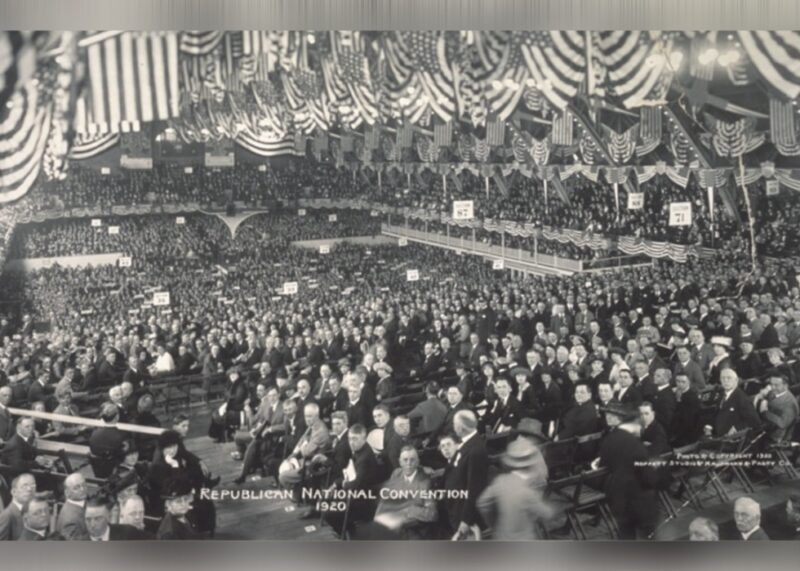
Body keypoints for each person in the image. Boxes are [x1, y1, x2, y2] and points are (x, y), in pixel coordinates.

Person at [594, 403, 659, 539]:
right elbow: (649, 477)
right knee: (648, 537)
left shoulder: (609, 439)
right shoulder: (635, 444)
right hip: (642, 500)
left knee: (626, 535)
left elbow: (605, 466)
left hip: (621, 498)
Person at [476, 438, 555, 540]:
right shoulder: (527, 492)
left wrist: (494, 523)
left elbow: (482, 503)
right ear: (530, 466)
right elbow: (547, 513)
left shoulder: (500, 481)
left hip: (500, 537)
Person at [323, 423, 380, 536]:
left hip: (363, 501)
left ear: (364, 438)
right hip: (355, 494)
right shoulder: (360, 450)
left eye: (355, 439)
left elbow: (356, 484)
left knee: (328, 514)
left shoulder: (364, 458)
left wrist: (343, 485)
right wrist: (335, 485)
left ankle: (347, 533)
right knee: (326, 500)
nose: (351, 442)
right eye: (349, 439)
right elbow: (349, 473)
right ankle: (348, 530)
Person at [370, 446, 437, 539]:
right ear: (400, 462)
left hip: (415, 530)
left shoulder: (425, 482)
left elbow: (432, 514)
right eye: (405, 460)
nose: (408, 463)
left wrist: (407, 510)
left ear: (417, 462)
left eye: (412, 460)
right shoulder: (396, 473)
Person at [444, 410, 489, 539]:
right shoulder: (468, 443)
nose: (453, 427)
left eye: (454, 424)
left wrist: (466, 520)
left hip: (463, 511)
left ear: (460, 427)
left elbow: (474, 487)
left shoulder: (475, 449)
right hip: (456, 505)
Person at [711, 368, 761, 437]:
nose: (725, 381)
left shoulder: (742, 398)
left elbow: (755, 421)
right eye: (723, 378)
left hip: (729, 439)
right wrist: (709, 426)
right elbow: (717, 413)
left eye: (729, 378)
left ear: (736, 380)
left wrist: (737, 428)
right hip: (716, 433)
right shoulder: (722, 394)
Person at [754, 374, 799, 443]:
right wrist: (763, 396)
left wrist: (764, 412)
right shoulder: (776, 392)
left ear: (785, 386)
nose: (772, 387)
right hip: (766, 426)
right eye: (771, 384)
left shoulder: (790, 403)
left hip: (774, 437)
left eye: (776, 385)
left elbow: (782, 423)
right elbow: (769, 399)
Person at [84, 496, 149, 541]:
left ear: (108, 517)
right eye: (88, 519)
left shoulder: (128, 533)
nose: (92, 525)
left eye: (97, 519)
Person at [0, 473, 36, 540]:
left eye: (33, 486)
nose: (29, 489)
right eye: (24, 486)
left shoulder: (31, 513)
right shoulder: (7, 516)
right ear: (14, 492)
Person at [56, 472, 89, 540]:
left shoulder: (80, 503)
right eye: (76, 487)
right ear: (67, 493)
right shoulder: (70, 520)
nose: (82, 489)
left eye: (84, 484)